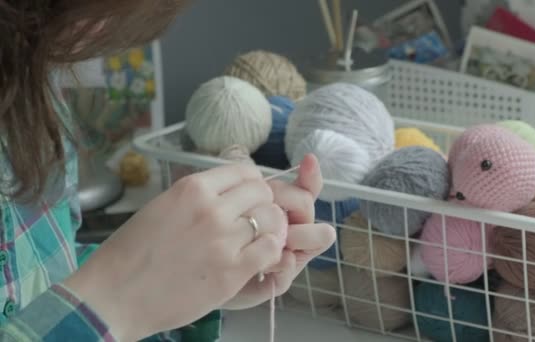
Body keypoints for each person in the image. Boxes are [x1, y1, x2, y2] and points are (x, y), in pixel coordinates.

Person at [0, 1, 336, 341]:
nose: (107, 30)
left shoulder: (32, 75)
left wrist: (187, 281)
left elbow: (42, 277)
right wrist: (119, 300)